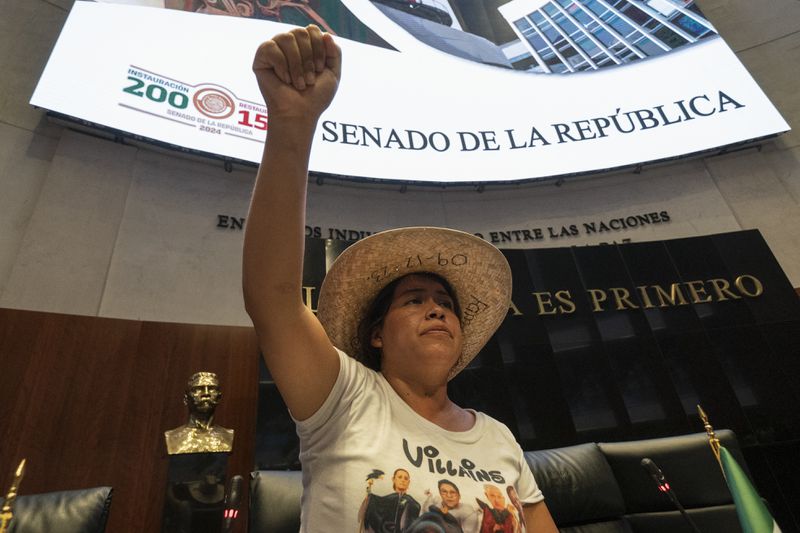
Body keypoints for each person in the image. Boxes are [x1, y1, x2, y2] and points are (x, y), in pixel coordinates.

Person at [243, 25, 558, 532]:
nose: (438, 309)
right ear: (375, 332)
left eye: (447, 304)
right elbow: (271, 298)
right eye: (415, 300)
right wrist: (291, 123)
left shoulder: (499, 438)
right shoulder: (342, 398)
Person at [164, 372, 234, 454]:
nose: (206, 393)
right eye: (198, 389)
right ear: (186, 398)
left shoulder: (227, 436)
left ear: (219, 397)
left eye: (212, 389)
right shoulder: (172, 437)